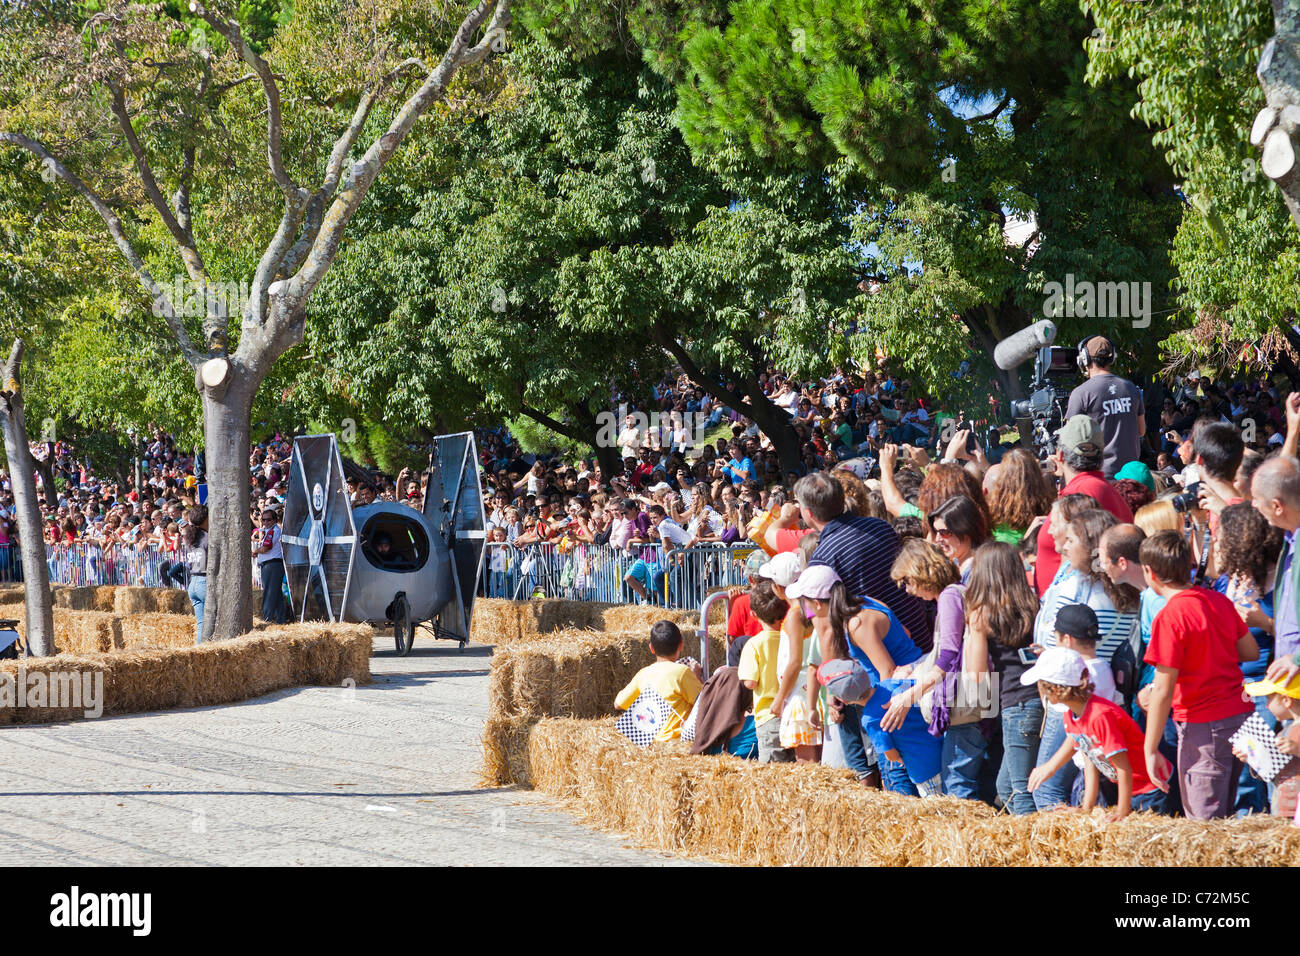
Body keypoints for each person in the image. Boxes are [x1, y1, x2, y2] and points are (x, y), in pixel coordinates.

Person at [1140, 530, 1257, 819]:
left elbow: (1163, 690)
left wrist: (1150, 747)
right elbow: (1250, 651)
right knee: (1228, 815)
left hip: (1203, 725)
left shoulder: (1170, 616)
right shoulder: (1218, 601)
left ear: (1149, 572)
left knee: (1204, 821)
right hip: (1240, 716)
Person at [794, 471, 932, 653]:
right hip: (919, 634)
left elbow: (827, 624)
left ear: (809, 512)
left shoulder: (823, 559)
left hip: (885, 655)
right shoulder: (880, 526)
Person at [1024, 647, 1168, 820]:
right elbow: (1090, 761)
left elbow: (1124, 768)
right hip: (1133, 790)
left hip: (1151, 790)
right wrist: (1086, 808)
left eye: (1041, 685)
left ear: (1054, 690)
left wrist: (1122, 812)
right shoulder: (1071, 714)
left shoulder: (1100, 716)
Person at [1034, 415, 1134, 595]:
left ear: (1061, 455)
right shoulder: (1101, 489)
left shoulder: (1081, 494)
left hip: (1074, 608)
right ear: (1101, 457)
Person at [1065, 334, 1146, 477]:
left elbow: (1072, 441)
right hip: (1132, 475)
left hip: (1101, 476)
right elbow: (1141, 431)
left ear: (1085, 359)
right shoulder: (1130, 388)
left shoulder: (1081, 393)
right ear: (1112, 357)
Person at [1251, 455, 1300, 685]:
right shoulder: (1290, 540)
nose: (1253, 505)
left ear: (1277, 506)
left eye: (1256, 499)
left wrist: (1298, 659)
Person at [614, 620, 703, 742]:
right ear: (681, 645)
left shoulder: (644, 673)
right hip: (677, 740)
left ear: (651, 648)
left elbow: (618, 704)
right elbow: (704, 702)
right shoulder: (682, 672)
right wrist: (697, 676)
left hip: (651, 743)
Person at [738, 580, 791, 763]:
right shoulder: (792, 639)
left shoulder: (754, 644)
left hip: (768, 716)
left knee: (772, 769)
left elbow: (750, 682)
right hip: (792, 712)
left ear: (753, 614)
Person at [253, 507, 287, 624]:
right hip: (271, 564)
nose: (265, 522)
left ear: (274, 520)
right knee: (275, 593)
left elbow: (265, 548)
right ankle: (281, 619)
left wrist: (255, 551)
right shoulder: (269, 531)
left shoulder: (273, 531)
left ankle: (267, 620)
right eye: (263, 520)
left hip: (272, 565)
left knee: (269, 593)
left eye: (268, 520)